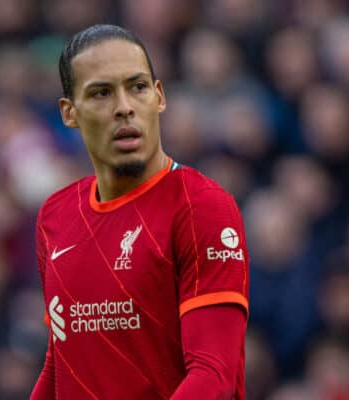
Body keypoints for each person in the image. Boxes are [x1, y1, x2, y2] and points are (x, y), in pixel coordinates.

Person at [30, 24, 249, 400]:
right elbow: (60, 363)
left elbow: (214, 374)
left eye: (138, 87)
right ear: (69, 112)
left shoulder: (201, 208)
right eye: (101, 93)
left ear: (159, 96)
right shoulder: (56, 216)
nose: (124, 107)